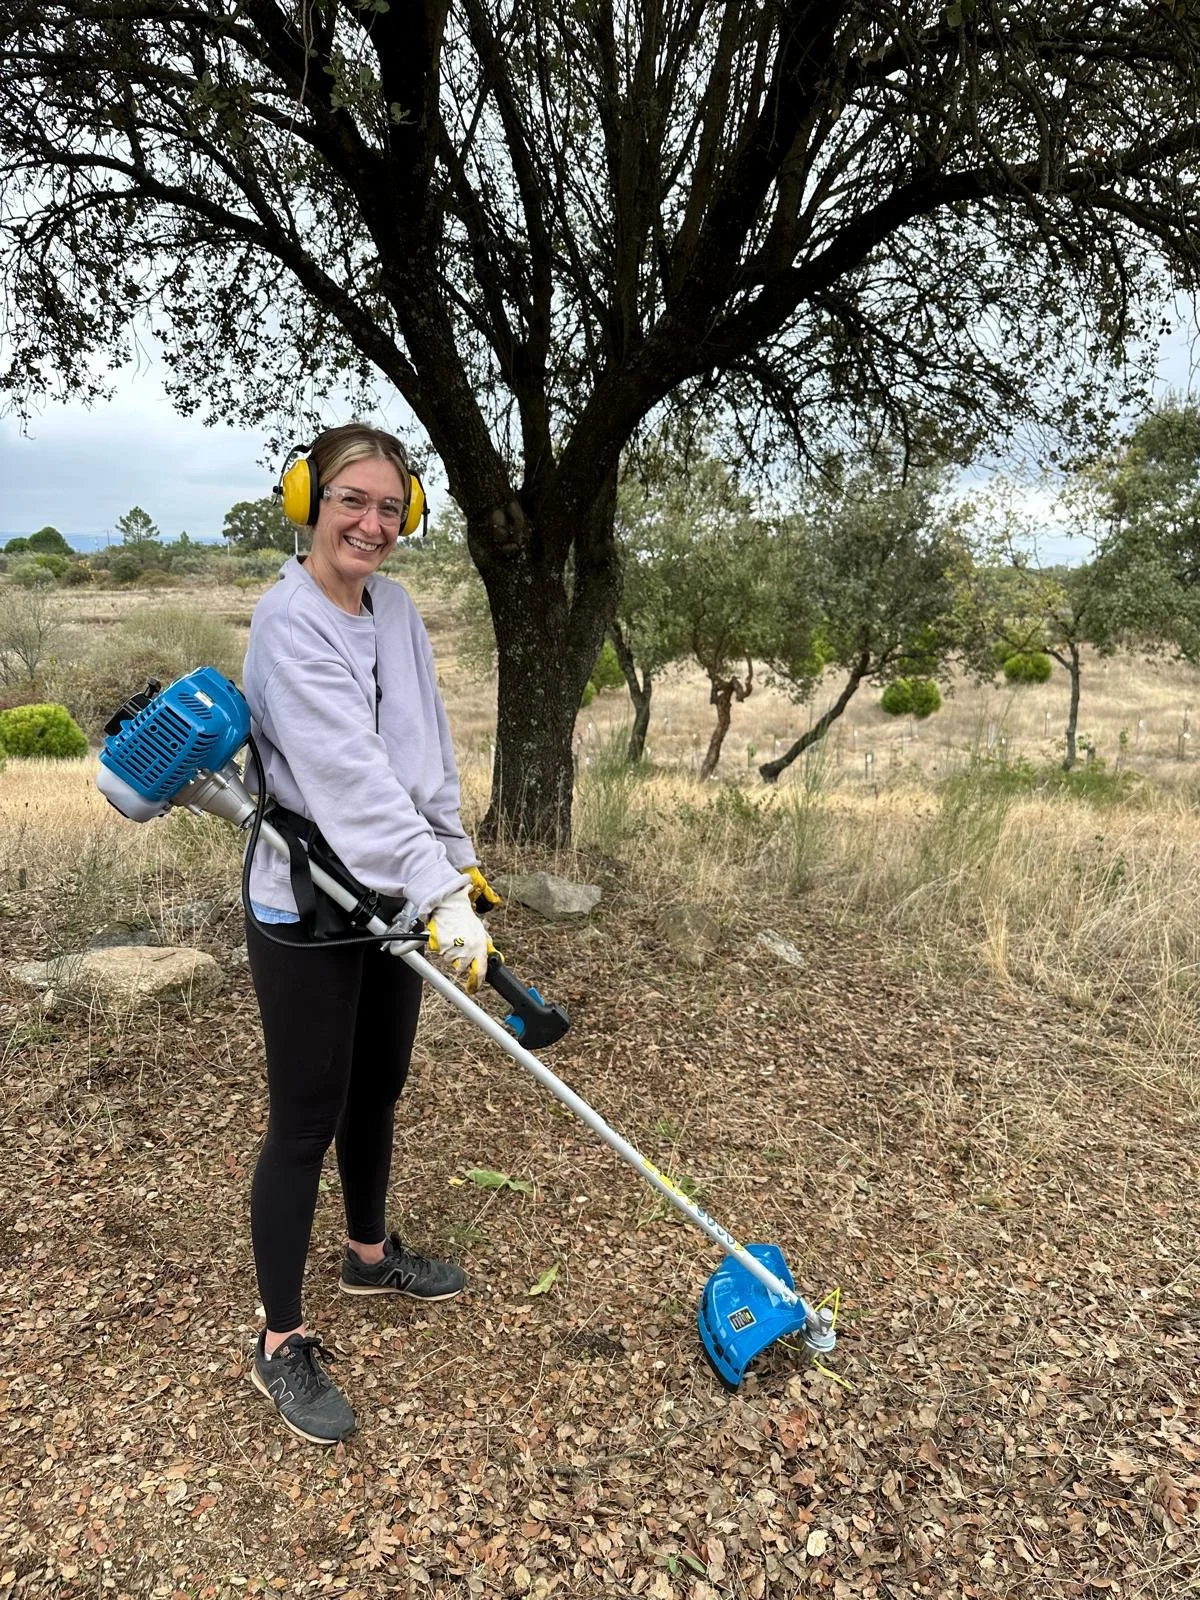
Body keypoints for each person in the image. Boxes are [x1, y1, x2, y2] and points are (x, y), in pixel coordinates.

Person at [240, 422, 500, 1446]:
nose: (372, 522)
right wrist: (431, 888)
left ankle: (365, 1252)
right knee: (305, 1116)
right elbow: (346, 781)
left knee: (378, 1084)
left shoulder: (393, 609)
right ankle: (278, 1342)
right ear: (310, 498)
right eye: (352, 499)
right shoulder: (286, 622)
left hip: (391, 894)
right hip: (307, 901)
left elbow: (420, 755)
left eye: (391, 507)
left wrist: (456, 865)